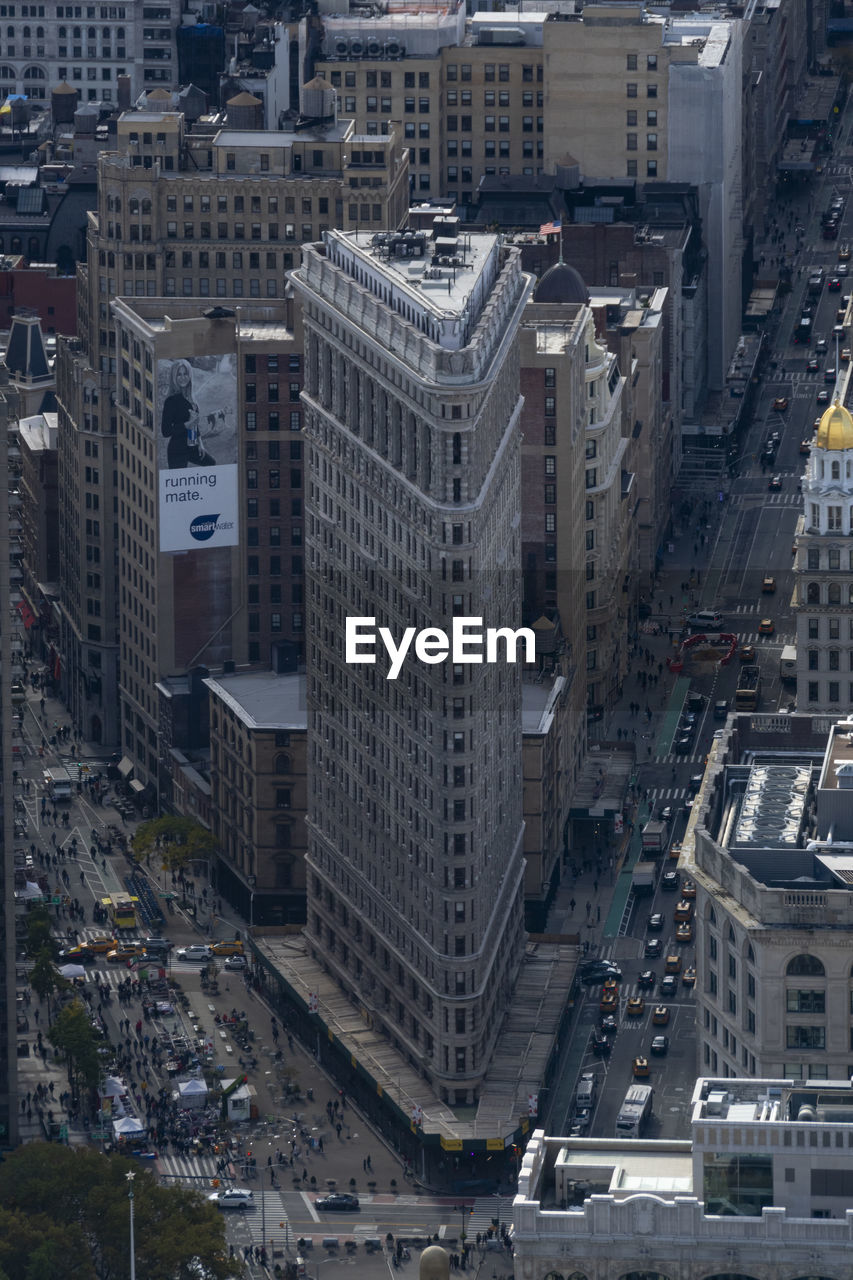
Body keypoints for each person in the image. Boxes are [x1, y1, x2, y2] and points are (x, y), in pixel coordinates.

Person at [160, 360, 215, 468]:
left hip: (193, 446)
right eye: (179, 374)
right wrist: (186, 425)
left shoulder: (191, 399)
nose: (182, 377)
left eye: (185, 374)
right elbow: (165, 431)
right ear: (174, 377)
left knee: (211, 464)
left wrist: (201, 444)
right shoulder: (171, 401)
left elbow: (195, 424)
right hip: (177, 450)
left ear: (189, 375)